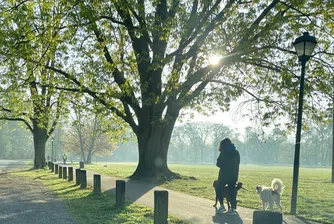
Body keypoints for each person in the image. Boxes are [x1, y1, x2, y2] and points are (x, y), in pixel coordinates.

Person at [215, 138, 240, 215]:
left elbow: (218, 163)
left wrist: (224, 166)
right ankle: (232, 209)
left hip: (224, 175)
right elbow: (237, 163)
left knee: (218, 187)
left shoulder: (223, 152)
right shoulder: (236, 152)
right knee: (232, 191)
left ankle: (222, 205)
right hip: (233, 175)